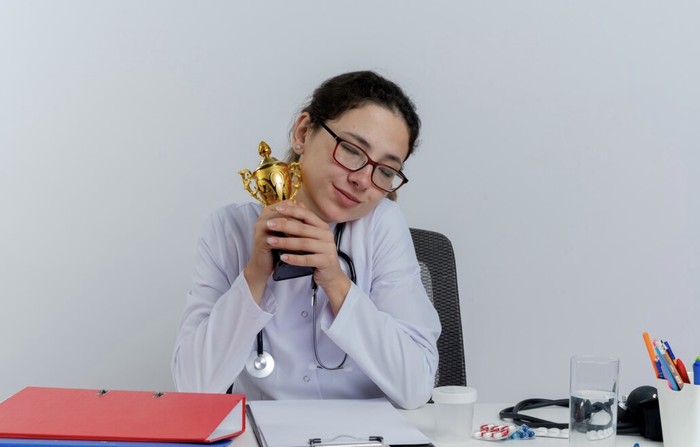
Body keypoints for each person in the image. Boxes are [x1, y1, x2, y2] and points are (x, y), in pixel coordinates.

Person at [172, 71, 441, 410]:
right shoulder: (229, 229)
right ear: (303, 133)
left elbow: (416, 387)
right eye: (352, 150)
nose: (362, 180)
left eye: (386, 171)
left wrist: (336, 282)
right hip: (264, 431)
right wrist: (255, 276)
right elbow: (192, 387)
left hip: (362, 434)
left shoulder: (382, 224)